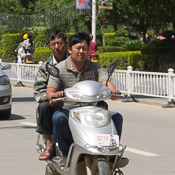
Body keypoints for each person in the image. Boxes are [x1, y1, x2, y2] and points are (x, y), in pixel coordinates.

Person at [46, 33, 122, 160]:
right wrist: (55, 95)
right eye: (78, 48)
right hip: (70, 109)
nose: (81, 51)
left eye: (85, 48)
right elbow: (50, 92)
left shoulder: (94, 67)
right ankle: (65, 154)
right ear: (70, 49)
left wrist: (112, 90)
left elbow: (105, 81)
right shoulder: (60, 68)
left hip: (94, 109)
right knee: (58, 118)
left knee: (116, 117)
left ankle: (111, 152)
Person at [34, 30, 68, 160]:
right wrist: (52, 98)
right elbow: (38, 92)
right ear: (49, 45)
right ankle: (49, 146)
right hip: (54, 102)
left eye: (59, 43)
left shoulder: (76, 62)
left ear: (65, 44)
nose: (56, 47)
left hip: (76, 100)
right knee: (43, 107)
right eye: (53, 44)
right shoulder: (45, 67)